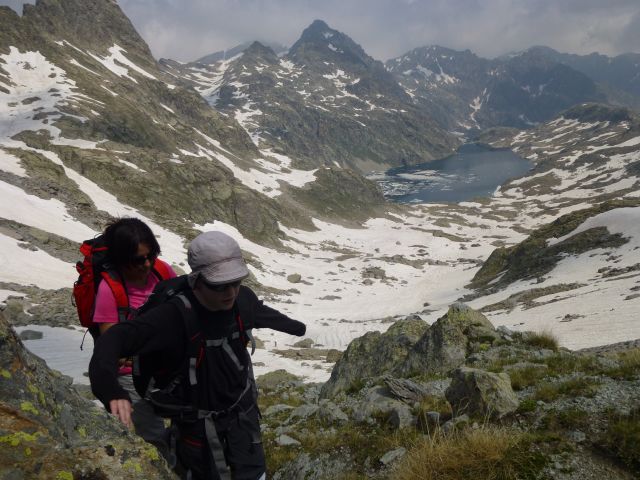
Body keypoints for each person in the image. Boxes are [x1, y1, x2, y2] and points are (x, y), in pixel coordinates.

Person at [89, 231, 306, 480]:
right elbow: (111, 341)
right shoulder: (174, 316)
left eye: (236, 282)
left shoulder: (242, 300)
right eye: (219, 284)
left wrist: (296, 327)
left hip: (243, 419)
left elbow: (261, 311)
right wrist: (111, 390)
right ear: (196, 280)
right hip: (197, 431)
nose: (230, 292)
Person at [93, 217, 177, 458]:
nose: (147, 264)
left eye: (151, 255)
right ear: (121, 259)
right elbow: (113, 346)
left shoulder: (162, 271)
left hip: (164, 366)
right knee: (151, 434)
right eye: (138, 260)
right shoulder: (110, 290)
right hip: (130, 376)